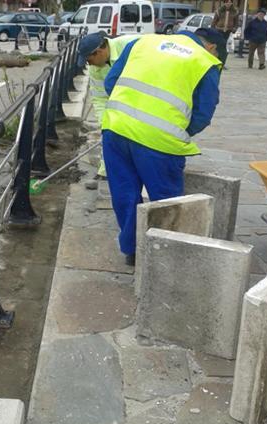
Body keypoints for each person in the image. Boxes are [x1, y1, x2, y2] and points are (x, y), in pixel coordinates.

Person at [101, 29, 223, 265]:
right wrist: (180, 130)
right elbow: (203, 113)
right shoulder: (205, 61)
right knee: (165, 200)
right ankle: (163, 259)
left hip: (116, 129)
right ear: (211, 47)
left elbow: (110, 83)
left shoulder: (141, 42)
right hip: (160, 141)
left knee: (124, 193)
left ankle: (132, 251)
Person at [76, 32, 141, 178]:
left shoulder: (132, 45)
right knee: (110, 134)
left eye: (89, 60)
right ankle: (106, 171)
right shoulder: (96, 69)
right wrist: (105, 123)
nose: (89, 64)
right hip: (124, 102)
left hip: (146, 98)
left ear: (99, 52)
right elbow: (99, 98)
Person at [212, 0, 239, 66]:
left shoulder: (235, 11)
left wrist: (234, 29)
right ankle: (215, 62)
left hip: (228, 32)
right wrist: (212, 30)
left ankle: (222, 63)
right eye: (227, 2)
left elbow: (236, 22)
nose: (228, 4)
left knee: (225, 48)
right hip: (219, 30)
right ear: (224, 3)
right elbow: (214, 21)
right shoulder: (219, 11)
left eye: (230, 2)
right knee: (218, 47)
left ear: (232, 3)